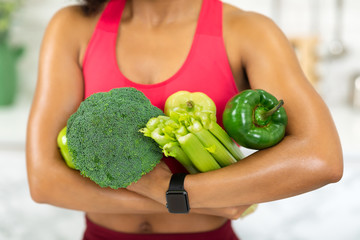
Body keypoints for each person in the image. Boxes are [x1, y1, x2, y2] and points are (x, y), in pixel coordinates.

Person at [26, 0, 343, 239]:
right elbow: (44, 182)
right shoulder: (73, 26)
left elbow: (321, 158)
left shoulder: (248, 31)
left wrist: (173, 190)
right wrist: (175, 195)